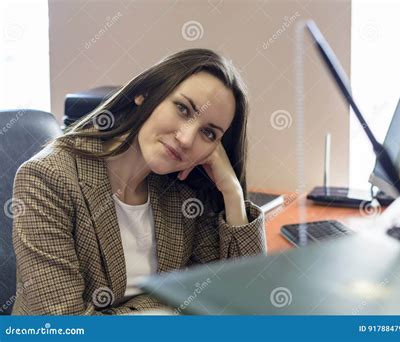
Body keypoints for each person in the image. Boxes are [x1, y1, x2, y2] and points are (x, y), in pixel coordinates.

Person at [11, 49, 266, 315]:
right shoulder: (47, 178)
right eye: (182, 108)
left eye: (208, 133)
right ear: (145, 94)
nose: (186, 138)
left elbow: (241, 303)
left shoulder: (184, 190)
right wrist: (170, 307)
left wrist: (232, 191)